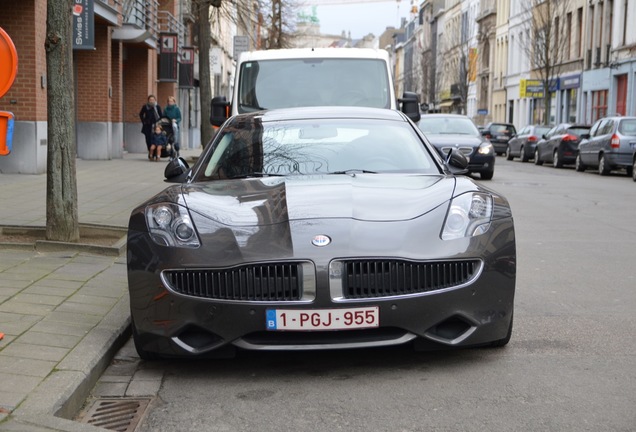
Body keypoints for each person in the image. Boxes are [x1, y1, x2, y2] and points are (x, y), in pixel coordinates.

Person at [139, 95, 162, 159]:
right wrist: (144, 121)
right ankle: (150, 152)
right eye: (150, 100)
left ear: (155, 100)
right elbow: (141, 114)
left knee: (155, 140)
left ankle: (154, 153)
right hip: (147, 125)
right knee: (148, 140)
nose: (151, 101)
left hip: (156, 126)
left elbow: (161, 115)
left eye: (153, 100)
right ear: (148, 100)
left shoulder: (157, 107)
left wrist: (159, 123)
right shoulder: (145, 107)